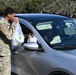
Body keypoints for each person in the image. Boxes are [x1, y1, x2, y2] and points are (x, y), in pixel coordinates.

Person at [0, 7, 18, 75]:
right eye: (13, 15)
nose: (14, 17)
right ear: (8, 15)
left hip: (5, 53)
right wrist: (14, 24)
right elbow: (10, 36)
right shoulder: (2, 24)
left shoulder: (6, 24)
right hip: (3, 55)